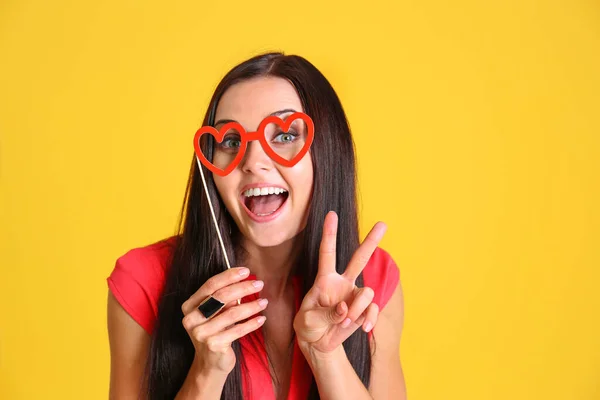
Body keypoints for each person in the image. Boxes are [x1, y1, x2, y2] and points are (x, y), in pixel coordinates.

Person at [106, 52, 407, 400]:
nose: (252, 162)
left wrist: (327, 356)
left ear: (327, 150)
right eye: (231, 142)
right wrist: (207, 371)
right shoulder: (143, 280)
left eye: (282, 136)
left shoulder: (372, 284)